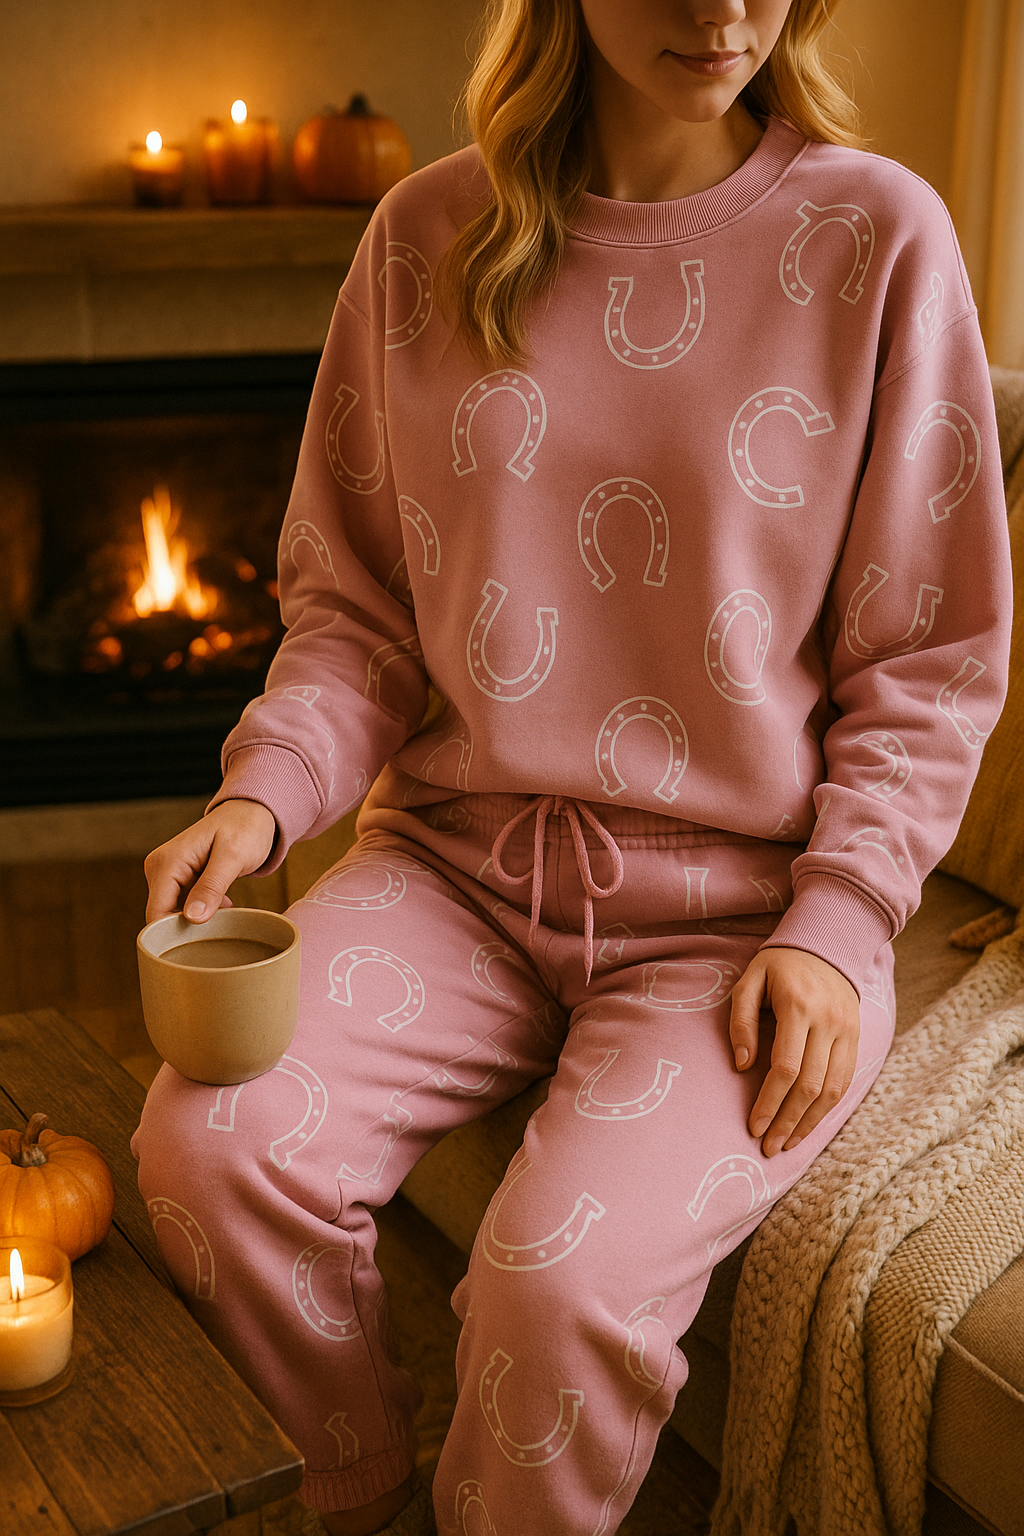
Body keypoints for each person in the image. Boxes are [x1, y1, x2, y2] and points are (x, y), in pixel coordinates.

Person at [131, 1, 1012, 1532]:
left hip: (743, 922)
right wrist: (260, 795)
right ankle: (354, 1493)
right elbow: (356, 613)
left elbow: (928, 661)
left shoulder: (878, 239)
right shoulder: (422, 238)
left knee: (553, 1294)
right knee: (206, 1144)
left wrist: (840, 922)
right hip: (451, 875)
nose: (722, 11)